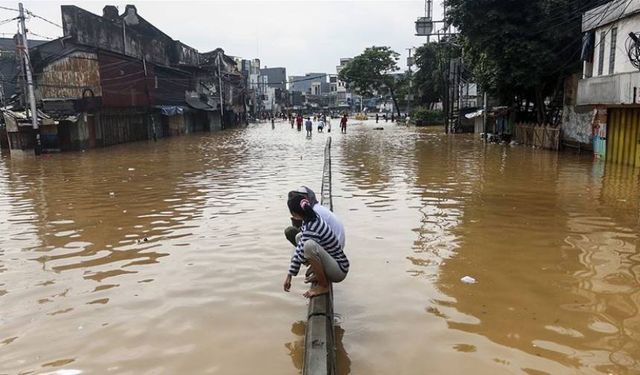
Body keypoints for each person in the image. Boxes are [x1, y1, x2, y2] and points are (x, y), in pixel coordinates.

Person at [283, 193, 349, 298]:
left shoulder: (311, 227)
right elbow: (299, 247)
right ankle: (319, 274)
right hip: (336, 263)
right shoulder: (311, 218)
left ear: (295, 214)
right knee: (299, 238)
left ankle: (323, 286)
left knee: (309, 246)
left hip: (339, 270)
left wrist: (290, 276)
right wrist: (289, 275)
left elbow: (301, 252)